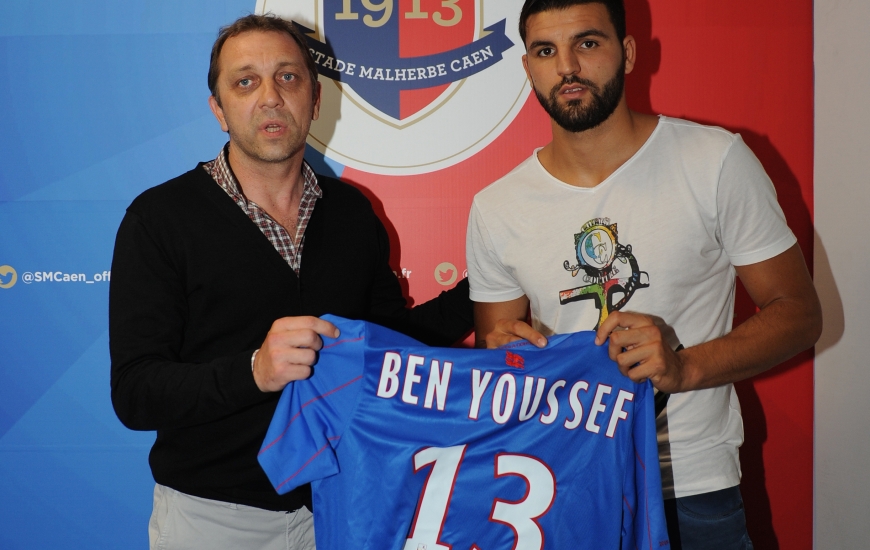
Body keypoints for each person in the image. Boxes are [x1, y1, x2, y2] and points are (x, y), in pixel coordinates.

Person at [465, 1, 822, 548]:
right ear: (528, 68)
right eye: (545, 50)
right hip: (567, 481)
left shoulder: (715, 161)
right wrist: (506, 355)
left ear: (627, 53)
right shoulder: (496, 207)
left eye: (587, 43)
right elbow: (501, 359)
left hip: (694, 485)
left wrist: (684, 367)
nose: (567, 67)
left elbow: (799, 314)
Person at [109, 14, 472, 550]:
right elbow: (136, 394)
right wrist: (253, 371)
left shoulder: (352, 213)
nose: (271, 97)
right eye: (245, 81)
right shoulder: (159, 218)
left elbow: (392, 351)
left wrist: (488, 289)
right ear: (219, 110)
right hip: (212, 520)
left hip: (343, 505)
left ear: (316, 99)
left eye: (288, 77)